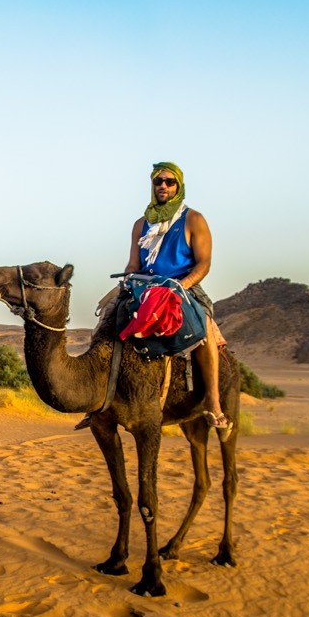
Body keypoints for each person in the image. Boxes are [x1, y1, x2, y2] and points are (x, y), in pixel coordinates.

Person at [124, 161, 228, 428]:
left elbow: (204, 263)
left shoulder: (193, 219)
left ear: (178, 186)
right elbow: (133, 263)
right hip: (145, 286)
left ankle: (213, 401)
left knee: (203, 324)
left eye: (169, 182)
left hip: (185, 285)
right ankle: (100, 402)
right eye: (158, 182)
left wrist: (180, 285)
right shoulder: (140, 224)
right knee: (108, 317)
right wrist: (127, 280)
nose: (163, 186)